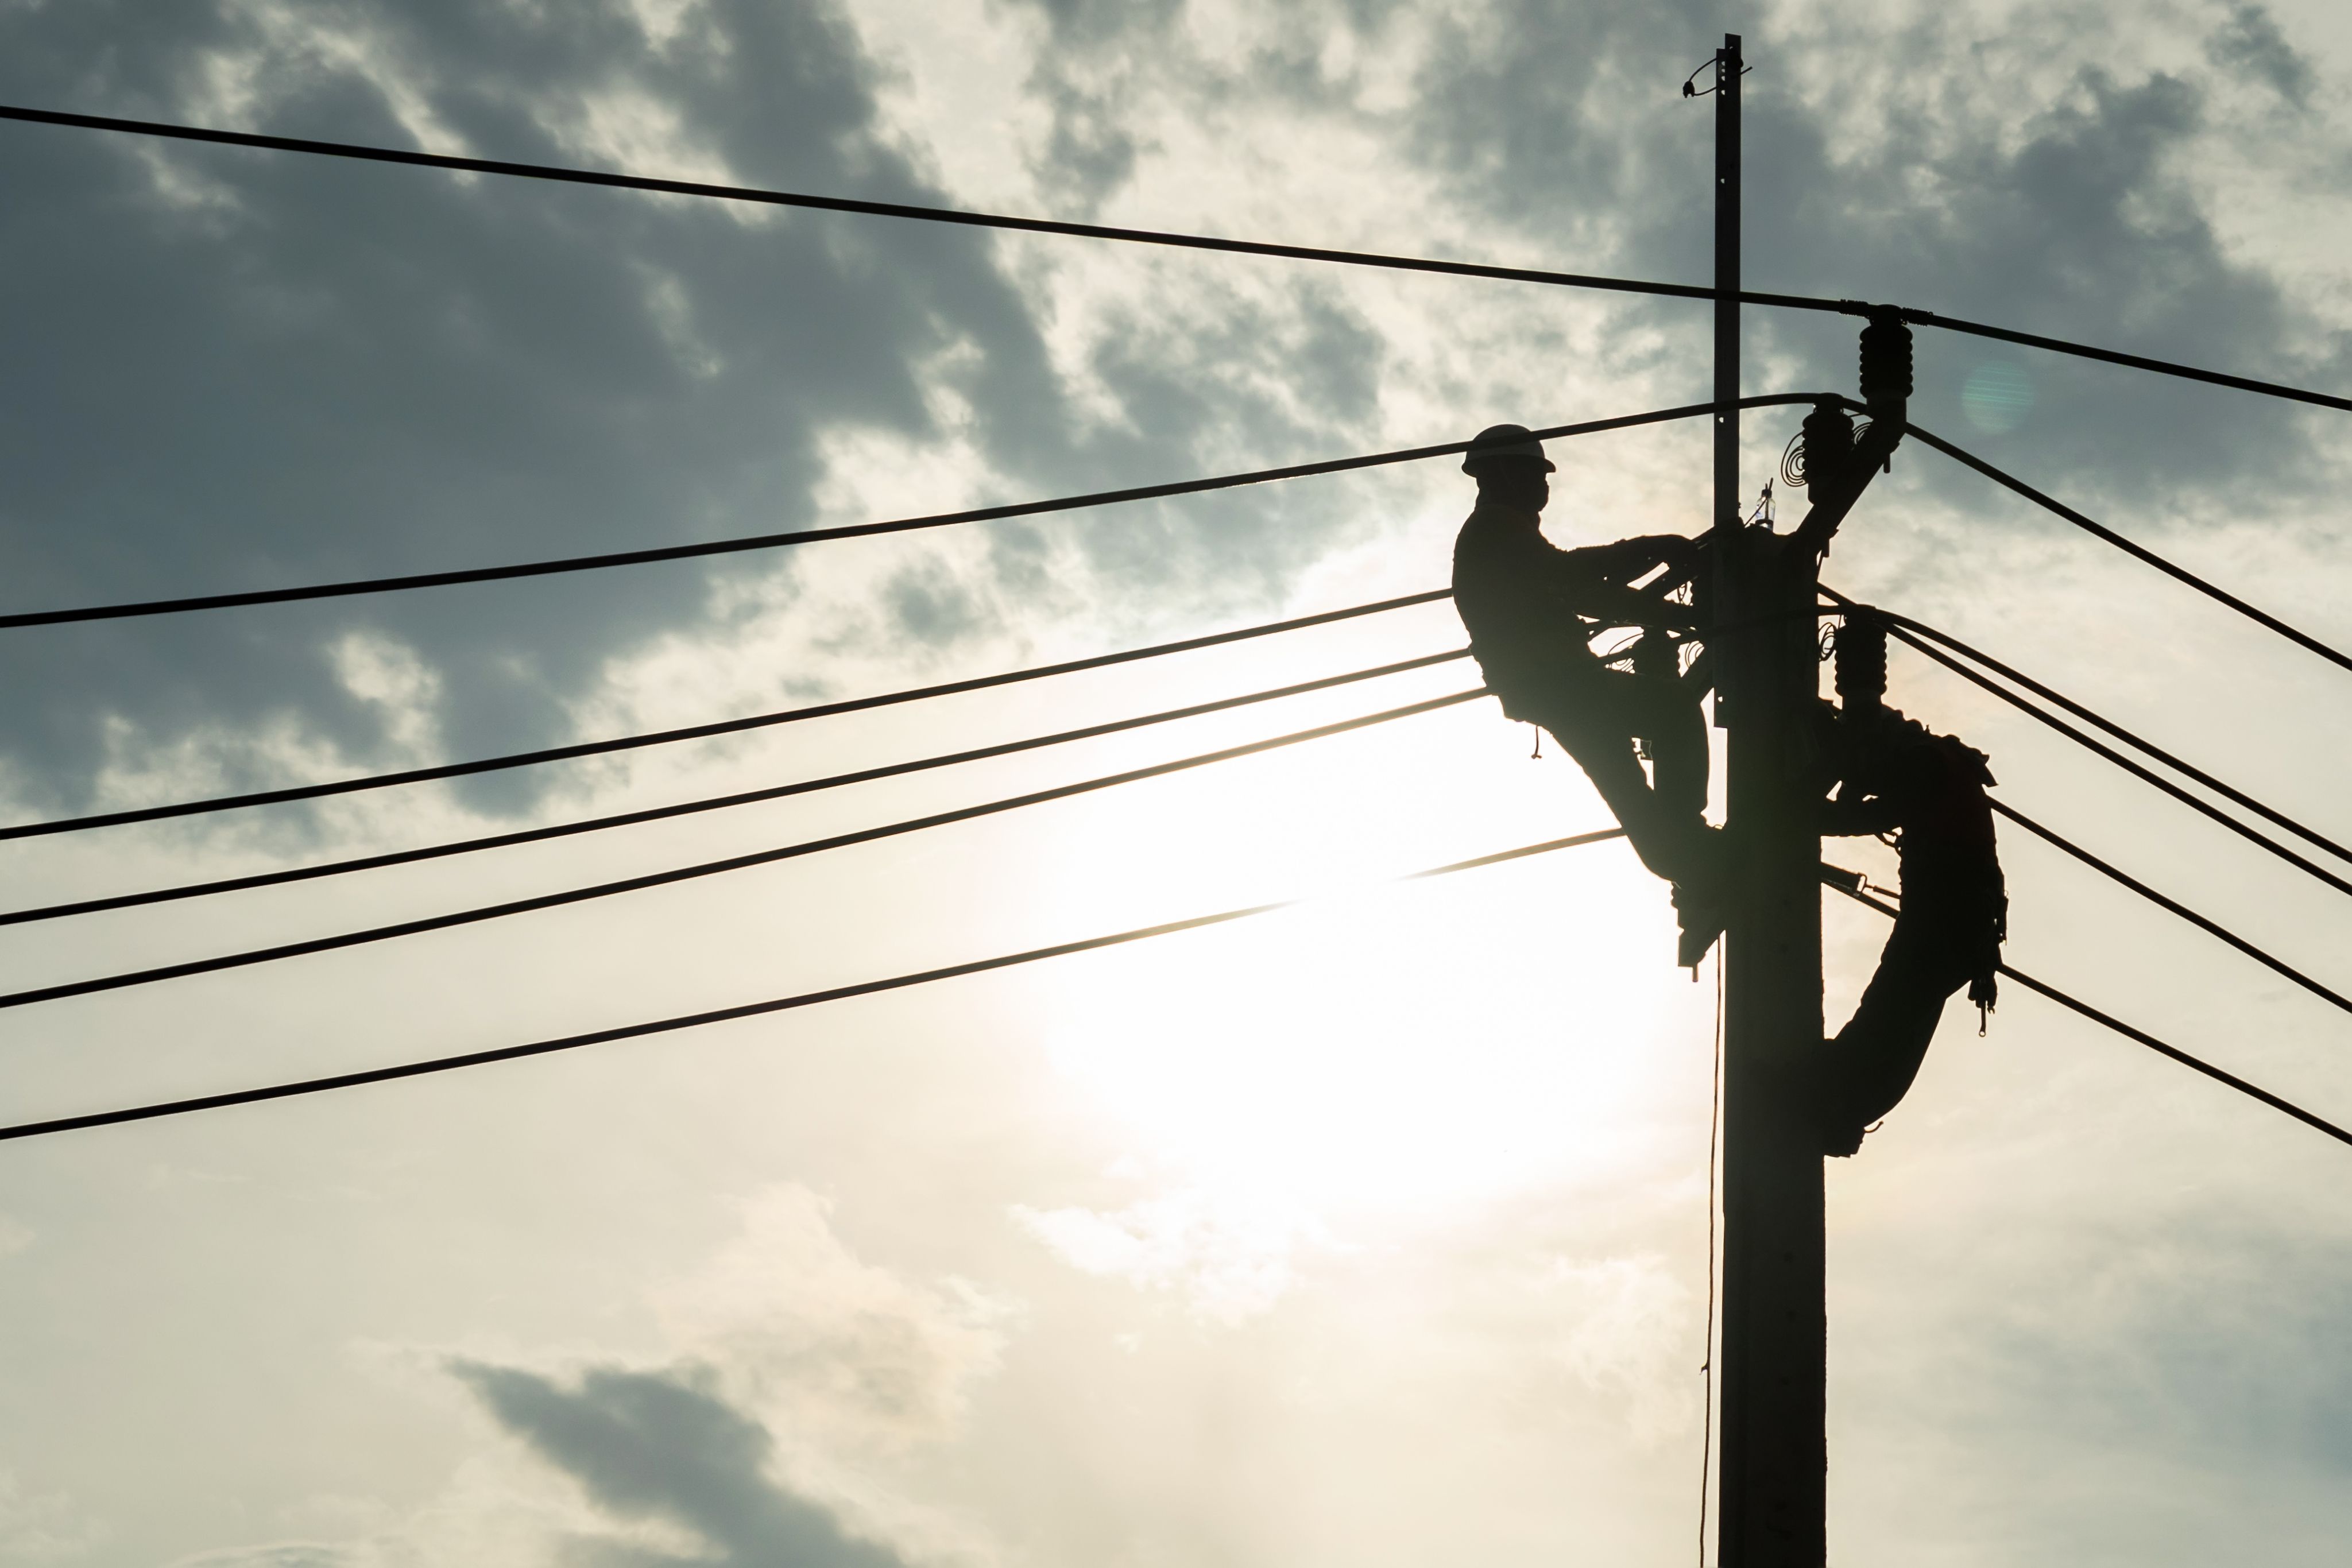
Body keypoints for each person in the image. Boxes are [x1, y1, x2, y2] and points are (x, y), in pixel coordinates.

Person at [1449, 424, 1723, 961]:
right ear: (1503, 474)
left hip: (1557, 686)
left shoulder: (1501, 534)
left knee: (1624, 774)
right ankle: (1690, 847)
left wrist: (1678, 614)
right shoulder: (1493, 531)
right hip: (1561, 683)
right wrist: (1655, 552)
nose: (1545, 490)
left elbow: (1585, 593)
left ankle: (1689, 861)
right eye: (1536, 476)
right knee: (1671, 712)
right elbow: (1572, 579)